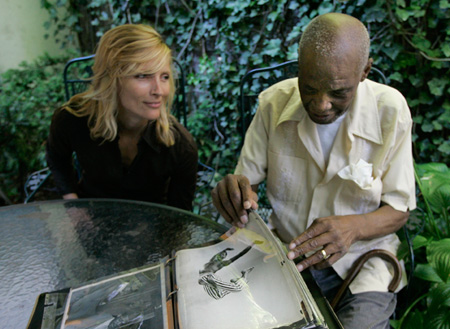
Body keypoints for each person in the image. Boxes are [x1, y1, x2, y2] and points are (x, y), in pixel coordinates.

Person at [212, 13, 416, 329]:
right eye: (308, 88)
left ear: (364, 71)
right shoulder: (273, 103)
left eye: (338, 93)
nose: (320, 105)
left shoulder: (390, 110)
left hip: (362, 268)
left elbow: (399, 210)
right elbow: (246, 183)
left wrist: (354, 228)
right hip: (284, 261)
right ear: (298, 67)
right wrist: (237, 194)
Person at [46, 24, 198, 211]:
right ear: (111, 79)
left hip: (152, 226)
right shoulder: (71, 119)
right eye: (143, 76)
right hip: (92, 218)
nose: (159, 90)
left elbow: (180, 220)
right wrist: (72, 202)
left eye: (165, 76)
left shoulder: (180, 146)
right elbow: (56, 157)